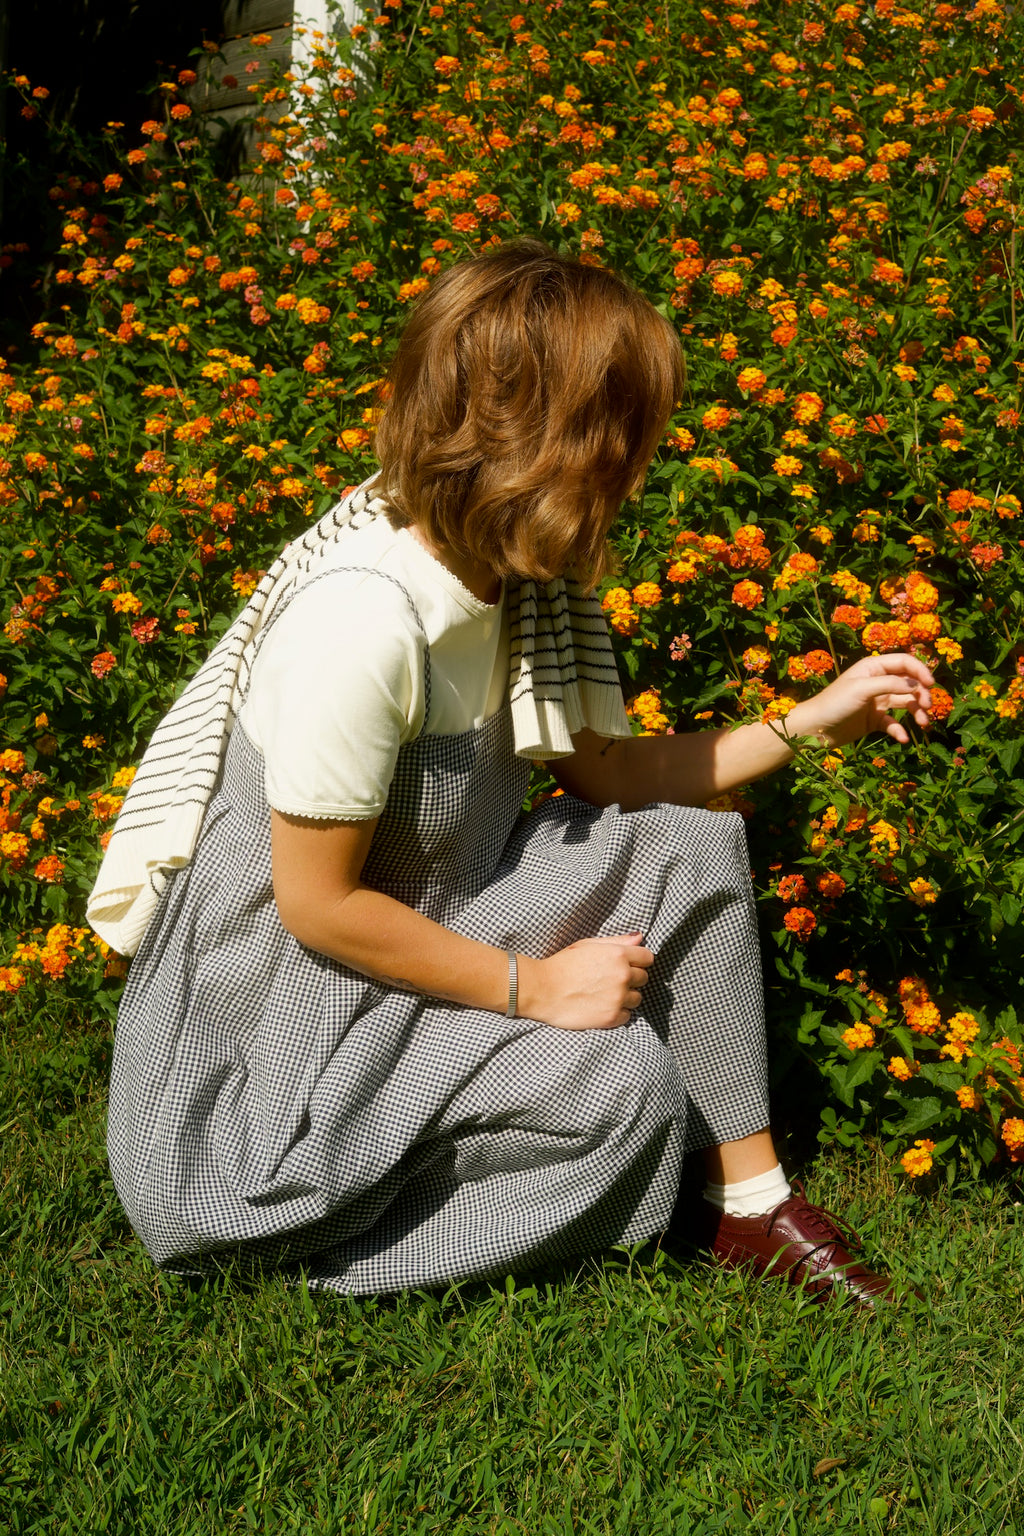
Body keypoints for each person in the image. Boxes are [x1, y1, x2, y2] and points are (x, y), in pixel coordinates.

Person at [89, 240, 932, 1306]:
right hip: (286, 1041)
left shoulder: (502, 571)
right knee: (623, 1089)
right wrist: (533, 990)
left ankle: (751, 1202)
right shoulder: (363, 621)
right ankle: (321, 1247)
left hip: (422, 920)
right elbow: (314, 907)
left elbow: (616, 774)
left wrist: (811, 720)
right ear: (556, 438)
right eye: (625, 431)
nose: (639, 460)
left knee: (693, 837)